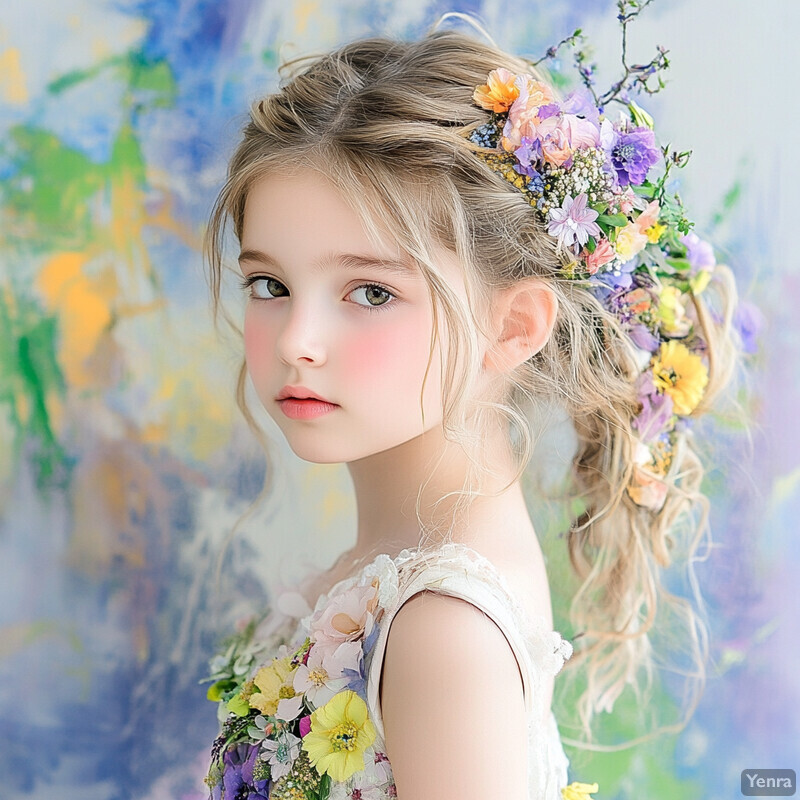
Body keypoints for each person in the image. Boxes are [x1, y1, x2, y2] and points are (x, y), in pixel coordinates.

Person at [202, 18, 741, 800]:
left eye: (371, 292)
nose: (298, 341)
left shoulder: (443, 633)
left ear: (512, 326)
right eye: (270, 285)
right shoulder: (392, 586)